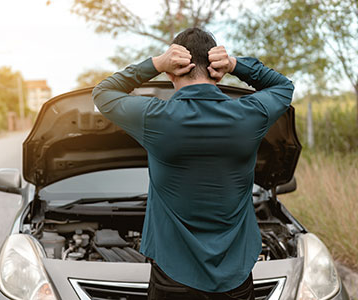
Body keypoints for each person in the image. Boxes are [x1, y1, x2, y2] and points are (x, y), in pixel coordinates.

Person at [92, 27, 294, 299]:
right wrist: (236, 65)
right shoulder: (250, 114)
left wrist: (154, 63)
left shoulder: (155, 117)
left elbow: (103, 92)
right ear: (215, 68)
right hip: (235, 277)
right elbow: (283, 87)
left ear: (171, 71)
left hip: (173, 278)